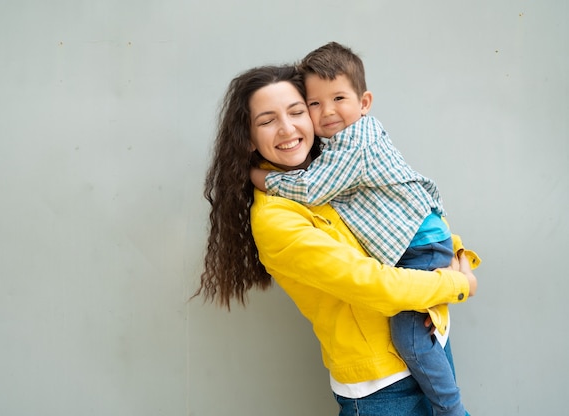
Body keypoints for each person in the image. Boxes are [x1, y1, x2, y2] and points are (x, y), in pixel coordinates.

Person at [195, 64, 479, 415]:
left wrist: (454, 252)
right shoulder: (275, 218)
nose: (287, 128)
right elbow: (372, 284)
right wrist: (455, 284)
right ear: (249, 138)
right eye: (267, 120)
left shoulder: (333, 174)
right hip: (383, 388)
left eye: (297, 111)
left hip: (429, 341)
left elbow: (409, 208)